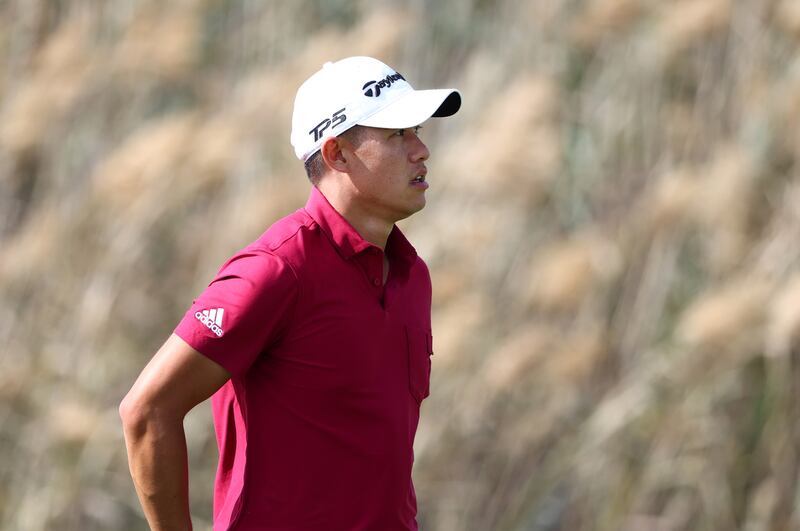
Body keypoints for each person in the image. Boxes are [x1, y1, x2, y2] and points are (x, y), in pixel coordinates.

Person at [119, 56, 461, 530]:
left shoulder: (412, 275)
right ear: (337, 153)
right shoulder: (276, 270)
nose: (422, 150)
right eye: (397, 134)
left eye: (417, 131)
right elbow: (147, 409)